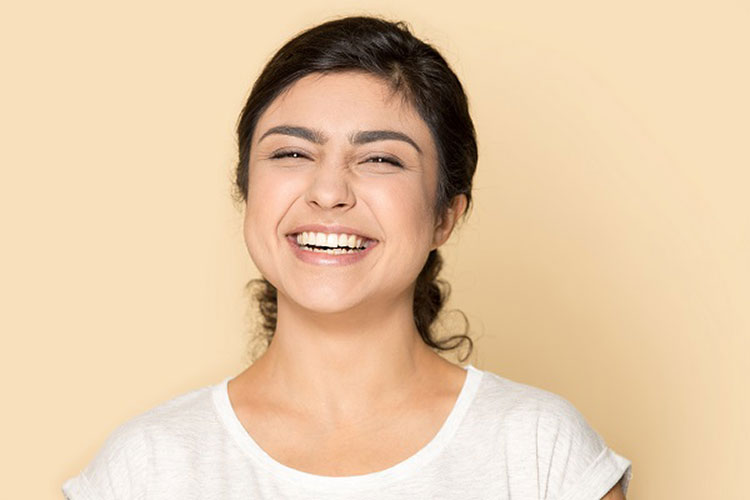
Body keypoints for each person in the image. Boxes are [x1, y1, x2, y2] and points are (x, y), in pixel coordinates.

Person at [62, 15, 632, 499]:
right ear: (246, 192)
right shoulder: (146, 468)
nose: (329, 191)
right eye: (290, 152)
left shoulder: (541, 453)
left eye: (381, 159)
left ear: (445, 215)